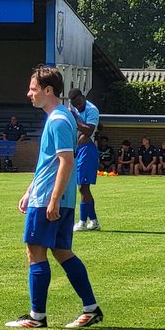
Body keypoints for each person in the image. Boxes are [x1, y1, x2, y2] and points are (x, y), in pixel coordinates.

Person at [7, 65, 103, 329]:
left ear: (48, 90)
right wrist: (29, 190)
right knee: (62, 252)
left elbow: (66, 162)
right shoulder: (60, 117)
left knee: (35, 252)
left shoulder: (59, 119)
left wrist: (52, 199)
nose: (29, 93)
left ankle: (37, 316)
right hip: (54, 197)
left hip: (50, 199)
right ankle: (91, 308)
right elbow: (47, 163)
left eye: (33, 89)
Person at [68, 89, 101, 232]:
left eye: (79, 102)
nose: (78, 106)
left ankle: (82, 221)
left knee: (83, 186)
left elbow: (89, 131)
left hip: (87, 150)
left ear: (83, 97)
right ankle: (93, 221)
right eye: (75, 104)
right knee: (83, 187)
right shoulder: (73, 108)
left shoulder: (92, 110)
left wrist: (75, 119)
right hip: (78, 150)